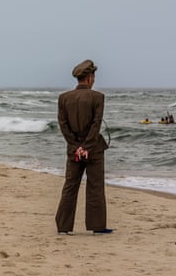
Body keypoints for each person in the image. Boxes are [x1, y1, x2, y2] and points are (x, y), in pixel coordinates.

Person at [55, 59, 112, 235]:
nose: (94, 80)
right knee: (95, 186)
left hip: (74, 150)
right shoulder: (98, 97)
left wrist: (75, 146)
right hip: (93, 149)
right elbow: (96, 125)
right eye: (93, 77)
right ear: (89, 78)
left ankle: (64, 227)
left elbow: (63, 125)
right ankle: (97, 226)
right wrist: (86, 146)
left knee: (70, 186)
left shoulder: (64, 98)